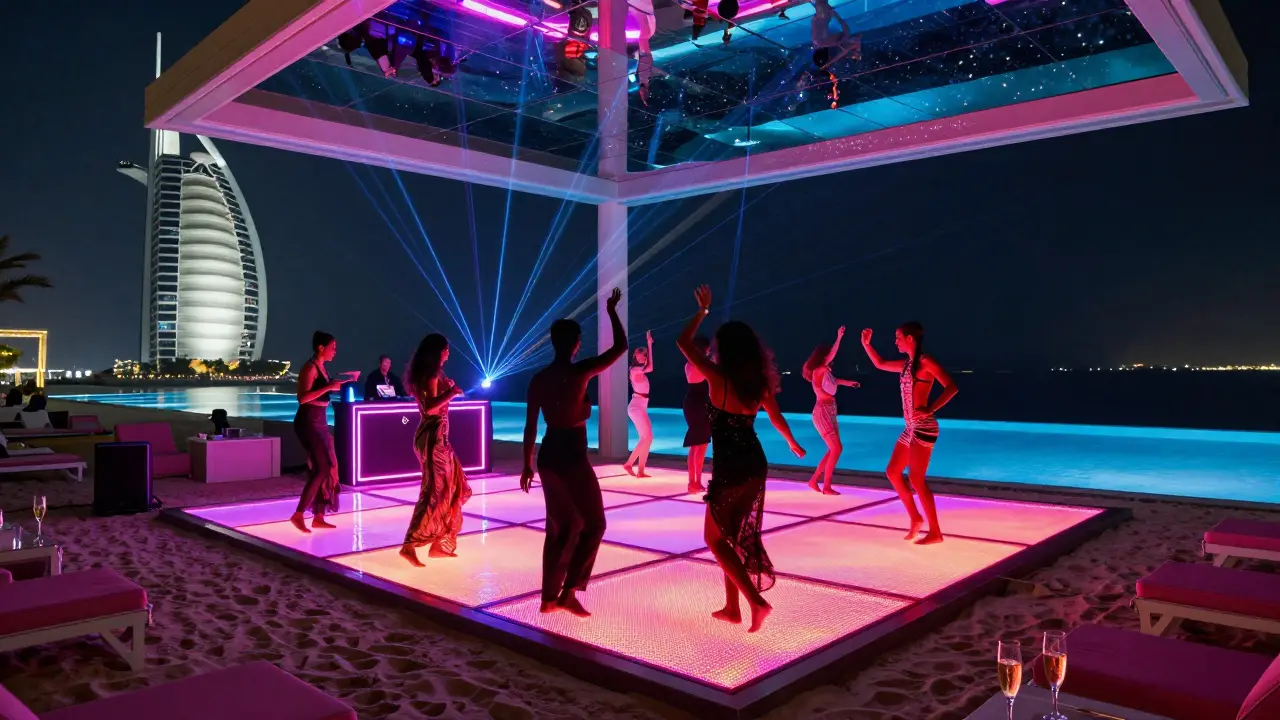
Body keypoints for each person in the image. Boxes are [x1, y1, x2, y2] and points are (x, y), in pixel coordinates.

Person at [677, 285, 805, 633]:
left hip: (731, 467)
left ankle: (755, 601)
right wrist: (792, 442)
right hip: (755, 463)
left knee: (714, 539)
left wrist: (702, 311)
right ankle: (732, 607)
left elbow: (683, 344)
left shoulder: (718, 377)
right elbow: (776, 418)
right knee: (730, 537)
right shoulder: (757, 383)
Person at [521, 289, 628, 617]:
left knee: (559, 527)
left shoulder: (539, 379)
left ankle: (548, 598)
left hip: (548, 455)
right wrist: (611, 311)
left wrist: (526, 465)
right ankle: (568, 592)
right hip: (571, 454)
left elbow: (530, 427)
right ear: (576, 343)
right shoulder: (579, 372)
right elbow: (620, 348)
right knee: (594, 523)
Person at [860, 323, 958, 545]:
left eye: (898, 337)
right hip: (910, 427)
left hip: (924, 426)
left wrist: (931, 408)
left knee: (915, 478)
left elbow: (951, 387)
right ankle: (915, 517)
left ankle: (935, 532)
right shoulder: (907, 365)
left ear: (910, 339)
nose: (895, 341)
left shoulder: (925, 362)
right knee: (893, 471)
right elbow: (880, 363)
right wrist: (866, 345)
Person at [399, 334, 472, 566]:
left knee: (457, 487)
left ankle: (439, 543)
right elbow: (430, 408)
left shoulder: (436, 375)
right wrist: (450, 393)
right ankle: (409, 545)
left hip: (440, 439)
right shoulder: (430, 375)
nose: (449, 353)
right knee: (433, 492)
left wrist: (447, 390)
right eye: (446, 350)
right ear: (437, 352)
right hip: (432, 439)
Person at [290, 332, 358, 534]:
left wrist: (339, 383)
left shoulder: (322, 368)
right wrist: (329, 386)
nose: (335, 351)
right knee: (321, 467)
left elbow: (321, 394)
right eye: (333, 347)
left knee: (328, 468)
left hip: (319, 421)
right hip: (308, 422)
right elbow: (302, 398)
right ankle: (299, 514)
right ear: (321, 347)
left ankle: (319, 516)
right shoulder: (310, 368)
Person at [802, 326, 860, 495]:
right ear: (824, 356)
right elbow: (833, 353)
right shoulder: (818, 370)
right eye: (829, 356)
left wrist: (850, 383)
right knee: (836, 448)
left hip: (830, 410)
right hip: (822, 412)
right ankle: (826, 486)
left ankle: (814, 481)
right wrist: (839, 337)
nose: (832, 359)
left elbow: (836, 381)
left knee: (833, 449)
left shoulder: (825, 372)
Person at [682, 336, 713, 493]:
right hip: (698, 405)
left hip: (695, 403)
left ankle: (694, 482)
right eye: (707, 350)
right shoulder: (697, 364)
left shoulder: (692, 364)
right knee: (698, 444)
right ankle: (694, 482)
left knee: (699, 444)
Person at [624, 330, 655, 477]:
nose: (643, 355)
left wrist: (648, 348)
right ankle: (629, 464)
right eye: (640, 353)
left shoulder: (639, 370)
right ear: (635, 356)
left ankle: (640, 469)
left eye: (644, 354)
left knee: (648, 438)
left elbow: (648, 367)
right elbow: (650, 368)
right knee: (646, 437)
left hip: (641, 406)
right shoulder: (634, 370)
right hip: (636, 407)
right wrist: (649, 344)